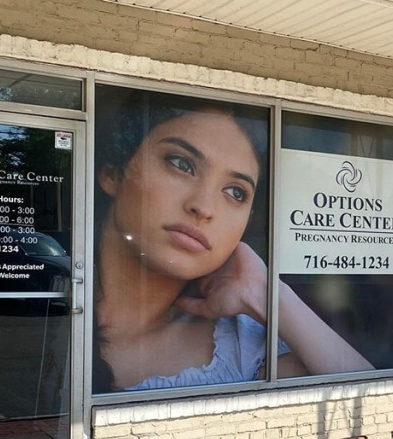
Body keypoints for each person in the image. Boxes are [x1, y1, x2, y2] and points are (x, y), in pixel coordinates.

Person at [93, 89, 373, 393]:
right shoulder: (47, 306)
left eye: (236, 192)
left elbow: (367, 400)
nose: (204, 208)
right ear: (113, 173)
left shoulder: (243, 351)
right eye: (181, 164)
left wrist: (266, 294)